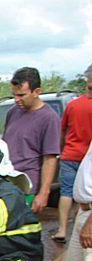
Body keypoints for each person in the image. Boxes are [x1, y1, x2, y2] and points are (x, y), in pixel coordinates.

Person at [2, 67, 61, 213]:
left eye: (22, 95)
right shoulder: (13, 112)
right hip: (6, 182)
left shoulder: (49, 118)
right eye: (14, 95)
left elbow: (50, 158)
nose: (17, 100)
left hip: (27, 186)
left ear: (37, 92)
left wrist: (43, 193)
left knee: (22, 231)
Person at [52, 64, 92, 242]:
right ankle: (78, 222)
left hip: (71, 154)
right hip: (85, 157)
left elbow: (62, 131)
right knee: (82, 194)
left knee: (67, 192)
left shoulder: (73, 105)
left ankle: (61, 229)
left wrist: (61, 151)